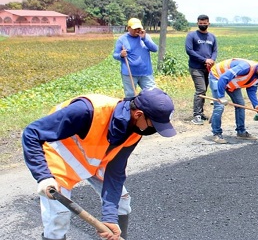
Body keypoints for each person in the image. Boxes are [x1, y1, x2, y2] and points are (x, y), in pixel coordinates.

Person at [22, 87, 177, 240]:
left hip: (91, 162)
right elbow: (31, 133)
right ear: (138, 114)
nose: (154, 131)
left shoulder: (135, 131)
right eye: (154, 126)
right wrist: (43, 176)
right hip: (59, 158)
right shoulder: (87, 110)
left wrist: (109, 218)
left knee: (121, 202)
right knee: (59, 217)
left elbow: (115, 172)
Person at [209, 58, 258, 144]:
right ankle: (216, 133)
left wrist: (257, 105)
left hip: (232, 83)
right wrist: (221, 96)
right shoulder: (245, 68)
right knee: (219, 106)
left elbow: (251, 90)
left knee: (240, 104)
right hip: (218, 77)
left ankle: (241, 132)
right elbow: (223, 78)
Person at [185, 14, 218, 125]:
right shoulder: (192, 35)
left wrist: (212, 60)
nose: (203, 24)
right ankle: (196, 115)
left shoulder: (212, 37)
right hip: (196, 68)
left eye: (205, 23)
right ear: (197, 23)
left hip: (208, 69)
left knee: (204, 90)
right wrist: (204, 60)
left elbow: (215, 51)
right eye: (201, 23)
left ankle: (201, 112)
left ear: (208, 23)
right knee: (200, 90)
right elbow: (189, 51)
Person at [113, 18, 158, 98]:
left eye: (139, 28)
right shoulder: (122, 39)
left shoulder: (145, 37)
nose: (137, 30)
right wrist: (121, 55)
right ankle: (132, 110)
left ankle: (149, 110)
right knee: (130, 96)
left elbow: (155, 49)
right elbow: (115, 55)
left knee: (152, 95)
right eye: (134, 29)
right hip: (129, 73)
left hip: (146, 72)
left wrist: (144, 39)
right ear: (128, 28)